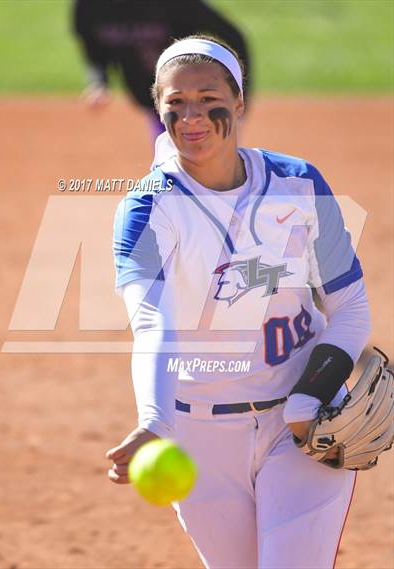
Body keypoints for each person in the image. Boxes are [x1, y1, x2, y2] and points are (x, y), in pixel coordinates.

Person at [106, 34, 371, 569]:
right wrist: (156, 421)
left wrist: (308, 398)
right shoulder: (148, 210)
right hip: (198, 441)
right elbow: (153, 324)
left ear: (240, 102)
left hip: (300, 432)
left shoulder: (297, 184)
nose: (192, 117)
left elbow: (350, 308)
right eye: (175, 104)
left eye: (208, 99)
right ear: (158, 110)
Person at [73, 0, 251, 140]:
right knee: (172, 162)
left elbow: (233, 37)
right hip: (148, 94)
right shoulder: (90, 6)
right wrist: (99, 82)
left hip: (194, 98)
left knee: (193, 161)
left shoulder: (174, 3)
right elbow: (95, 49)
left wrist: (238, 95)